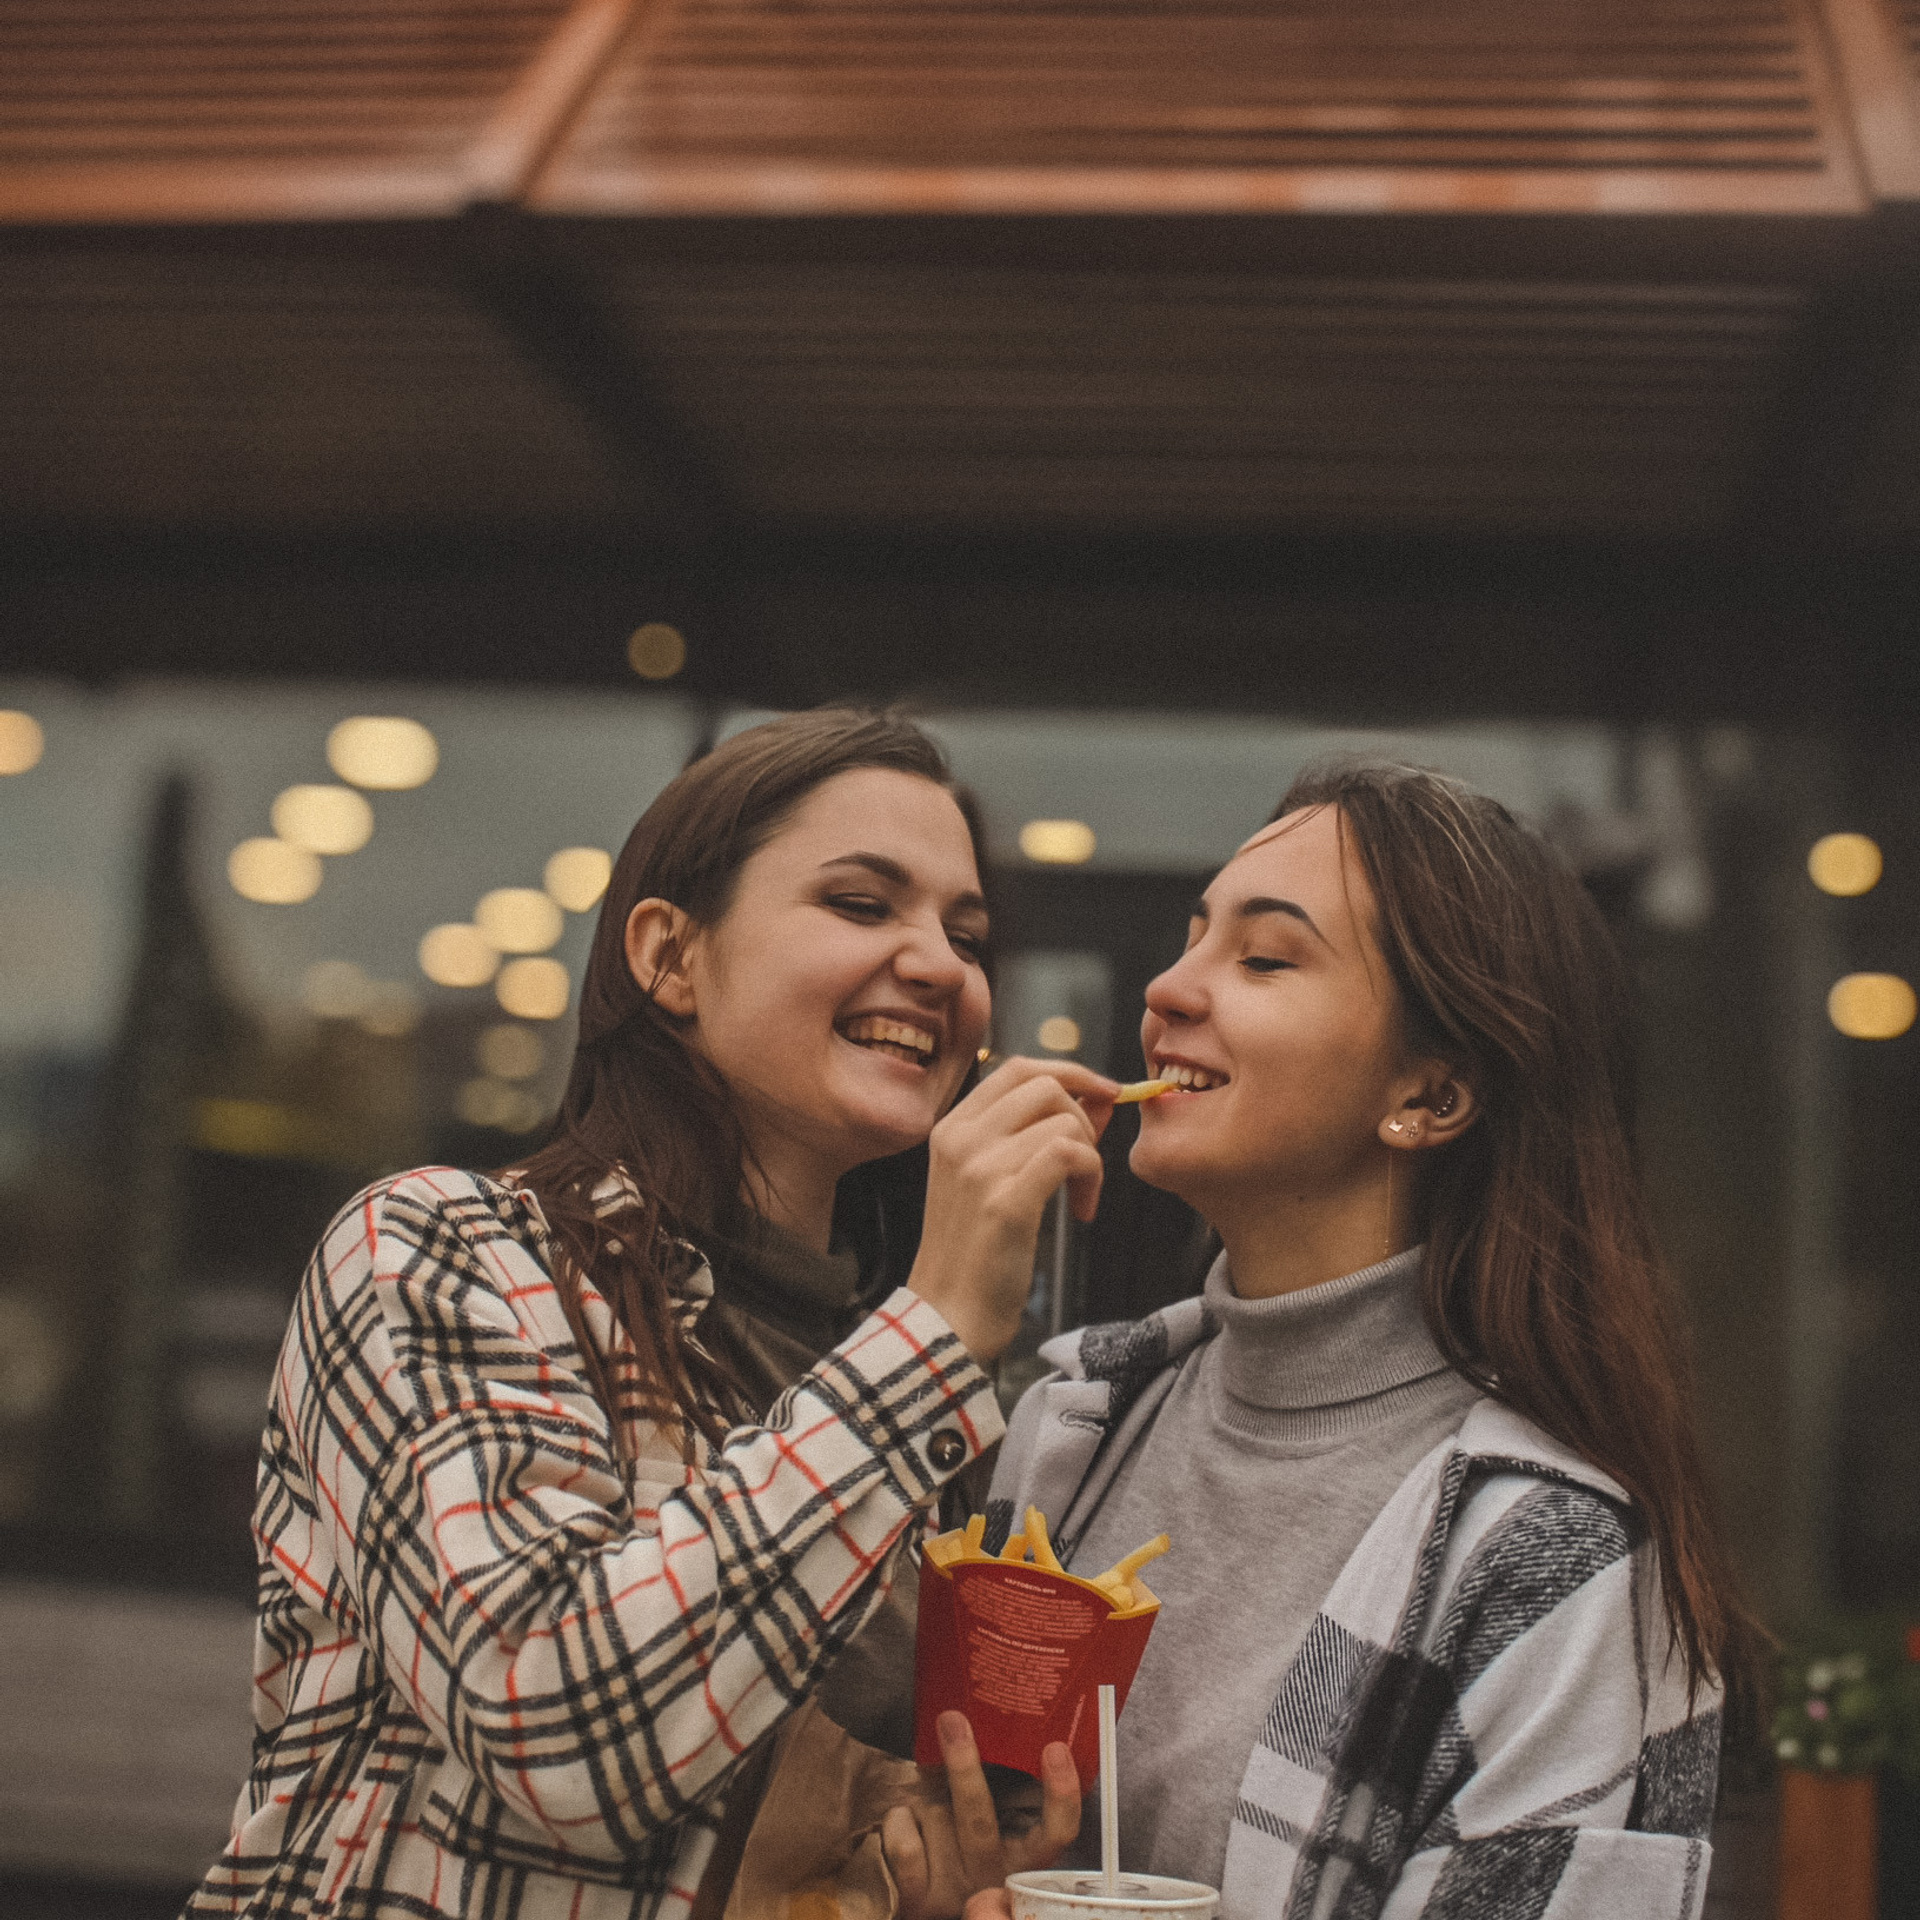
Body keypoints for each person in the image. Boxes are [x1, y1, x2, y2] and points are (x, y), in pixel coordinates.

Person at [185, 708, 1098, 1920]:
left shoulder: (906, 1383)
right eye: (861, 904)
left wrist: (921, 1874)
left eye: (965, 934)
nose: (940, 966)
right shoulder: (441, 1251)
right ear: (670, 955)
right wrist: (933, 1336)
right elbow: (550, 1723)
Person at [959, 761, 1753, 1920]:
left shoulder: (1546, 1558)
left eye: (1265, 959)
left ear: (1431, 1096)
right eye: (1194, 938)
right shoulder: (1074, 1428)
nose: (1169, 989)